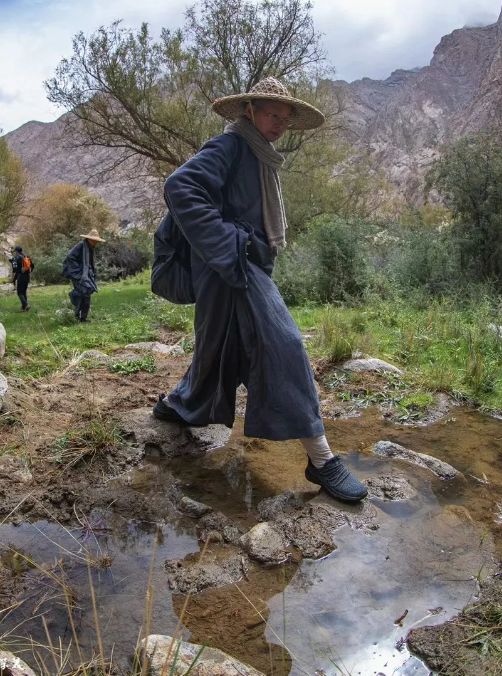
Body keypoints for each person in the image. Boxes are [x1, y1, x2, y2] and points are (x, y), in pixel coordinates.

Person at [151, 77, 368, 503]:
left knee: (218, 350)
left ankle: (179, 405)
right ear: (249, 110)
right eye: (273, 114)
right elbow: (181, 186)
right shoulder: (230, 146)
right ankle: (321, 459)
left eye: (286, 119)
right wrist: (230, 244)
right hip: (232, 265)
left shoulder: (261, 156)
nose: (280, 124)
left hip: (231, 269)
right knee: (284, 343)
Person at [62, 228, 105, 323]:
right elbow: (70, 257)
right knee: (82, 294)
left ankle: (83, 318)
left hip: (87, 274)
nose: (96, 243)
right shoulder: (80, 246)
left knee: (87, 294)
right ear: (90, 239)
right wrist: (78, 270)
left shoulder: (90, 248)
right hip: (78, 275)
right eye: (95, 241)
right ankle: (76, 314)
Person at [11, 245, 34, 311]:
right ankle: (24, 308)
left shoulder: (16, 257)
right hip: (27, 276)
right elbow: (32, 266)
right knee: (24, 292)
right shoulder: (26, 256)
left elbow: (15, 268)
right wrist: (29, 271)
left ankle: (26, 305)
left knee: (19, 292)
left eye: (15, 252)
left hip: (20, 276)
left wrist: (16, 273)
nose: (14, 253)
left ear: (17, 252)